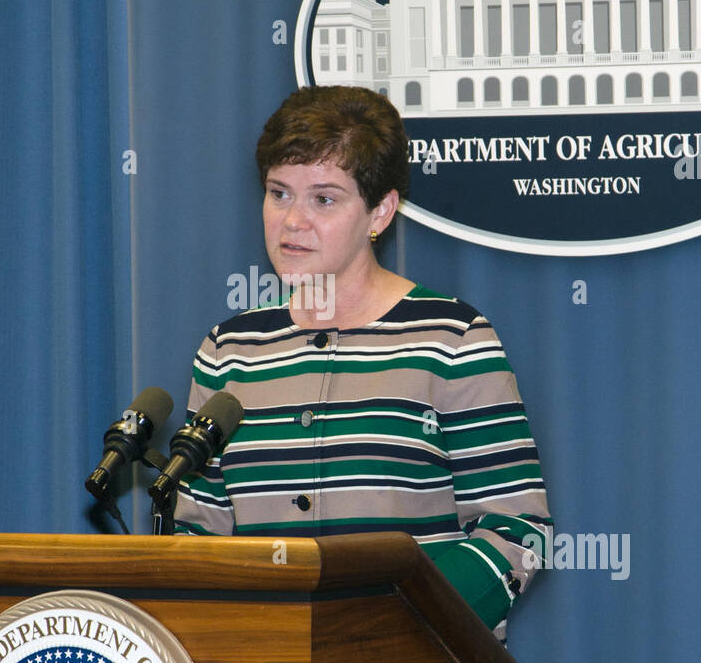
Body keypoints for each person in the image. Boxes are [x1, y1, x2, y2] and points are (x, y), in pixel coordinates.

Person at [173, 85, 551, 635]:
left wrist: (395, 629)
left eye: (323, 199)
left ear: (380, 211)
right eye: (279, 194)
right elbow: (198, 536)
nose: (292, 221)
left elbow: (518, 532)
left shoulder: (452, 340)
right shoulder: (229, 350)